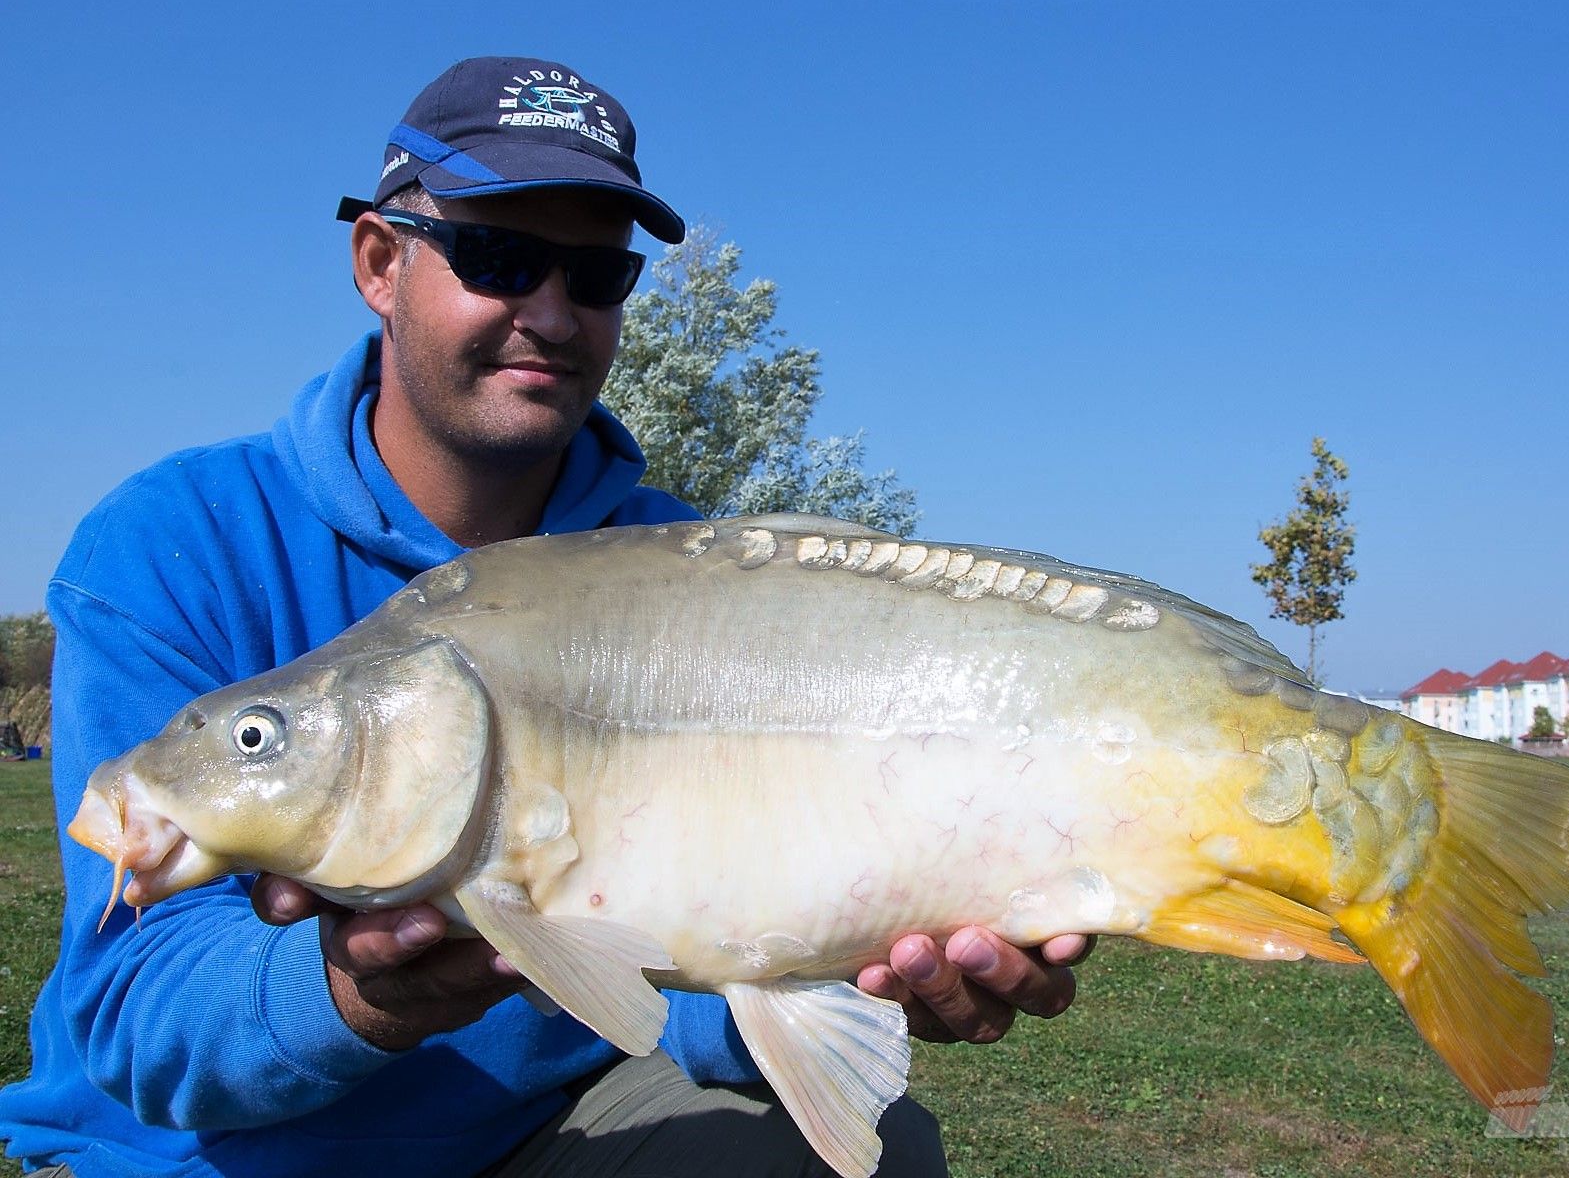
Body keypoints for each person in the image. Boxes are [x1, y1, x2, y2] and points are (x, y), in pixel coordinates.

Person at [0, 57, 1091, 1178]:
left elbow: (668, 982)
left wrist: (857, 958)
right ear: (381, 261)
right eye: (501, 258)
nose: (552, 313)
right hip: (204, 1160)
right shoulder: (169, 545)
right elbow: (139, 1019)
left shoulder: (681, 568)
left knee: (864, 1156)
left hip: (531, 1141)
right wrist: (354, 991)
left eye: (597, 274)